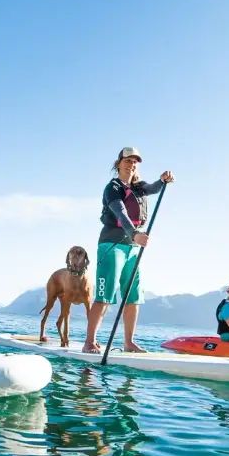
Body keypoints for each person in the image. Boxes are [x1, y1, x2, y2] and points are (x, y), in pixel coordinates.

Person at [82, 147, 173, 354]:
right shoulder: (112, 187)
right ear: (119, 163)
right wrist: (135, 235)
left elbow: (153, 188)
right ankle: (89, 342)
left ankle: (129, 343)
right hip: (112, 245)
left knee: (133, 297)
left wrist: (163, 180)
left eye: (135, 161)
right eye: (128, 160)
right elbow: (120, 214)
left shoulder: (139, 187)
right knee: (104, 296)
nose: (131, 164)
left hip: (133, 248)